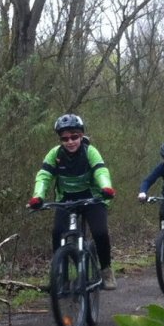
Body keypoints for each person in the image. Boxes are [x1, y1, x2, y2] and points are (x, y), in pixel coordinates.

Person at [27, 114, 118, 290]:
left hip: (93, 198)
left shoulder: (90, 151)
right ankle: (59, 275)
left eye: (74, 136)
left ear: (81, 136)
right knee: (57, 232)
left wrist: (106, 187)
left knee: (99, 232)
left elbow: (101, 171)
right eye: (65, 138)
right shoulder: (55, 154)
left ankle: (106, 270)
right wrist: (38, 196)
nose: (70, 141)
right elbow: (44, 176)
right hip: (66, 200)